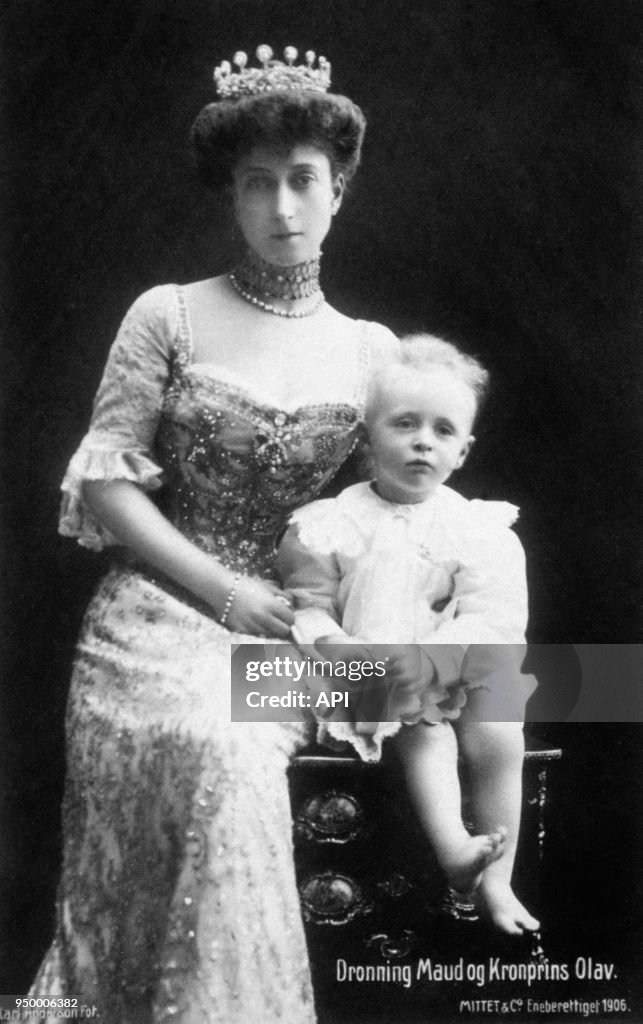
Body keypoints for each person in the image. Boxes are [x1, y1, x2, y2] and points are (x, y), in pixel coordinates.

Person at [30, 45, 397, 1023]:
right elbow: (108, 491)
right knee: (223, 747)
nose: (281, 207)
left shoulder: (372, 352)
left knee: (498, 684)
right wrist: (230, 595)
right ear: (230, 197)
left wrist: (349, 627)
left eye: (302, 181)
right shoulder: (169, 315)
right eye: (257, 184)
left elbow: (393, 513)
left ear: (339, 192)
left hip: (293, 625)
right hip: (155, 617)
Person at [277, 334, 540, 934]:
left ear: (463, 452)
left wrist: (436, 661)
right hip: (366, 672)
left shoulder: (478, 528)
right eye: (404, 424)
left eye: (443, 431)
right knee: (423, 728)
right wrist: (340, 648)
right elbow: (307, 608)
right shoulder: (328, 525)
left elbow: (494, 616)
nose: (424, 440)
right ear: (368, 437)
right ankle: (454, 849)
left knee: (500, 731)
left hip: (450, 662)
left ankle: (500, 882)